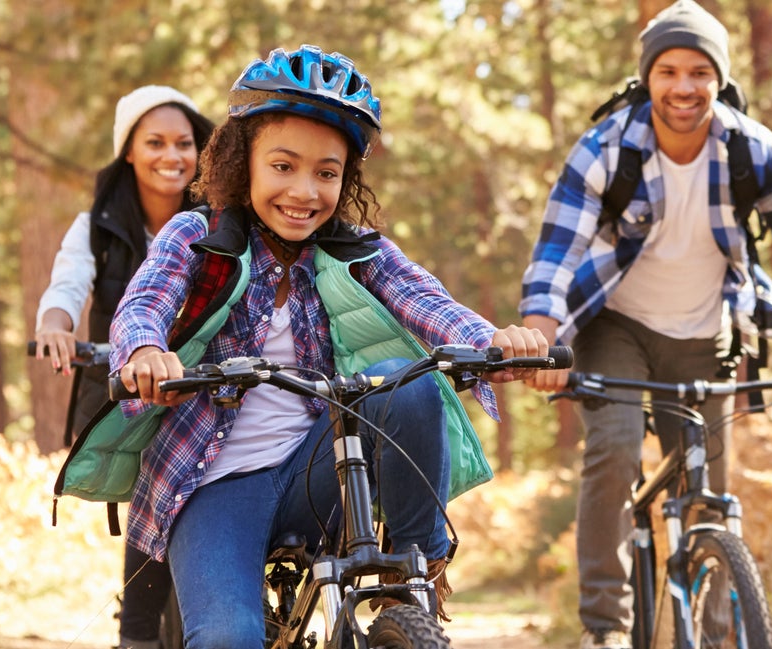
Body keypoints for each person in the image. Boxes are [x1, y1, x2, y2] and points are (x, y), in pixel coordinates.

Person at [108, 45, 549, 648]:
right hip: (215, 484)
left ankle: (412, 579)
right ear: (244, 164)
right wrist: (143, 352)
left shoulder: (355, 251)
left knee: (408, 380)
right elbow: (145, 302)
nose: (305, 191)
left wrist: (494, 344)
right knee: (226, 640)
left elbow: (431, 305)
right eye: (283, 166)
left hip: (323, 475)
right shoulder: (199, 235)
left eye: (326, 172)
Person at [517, 2, 772, 646]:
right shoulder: (605, 148)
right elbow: (554, 260)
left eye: (700, 71)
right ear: (648, 77)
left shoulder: (755, 153)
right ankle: (606, 627)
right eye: (669, 71)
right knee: (616, 447)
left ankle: (710, 632)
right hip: (615, 325)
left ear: (720, 78)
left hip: (709, 331)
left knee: (708, 490)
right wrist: (539, 345)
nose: (684, 87)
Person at [32, 84, 215, 649]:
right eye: (154, 142)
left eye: (184, 143)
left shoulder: (223, 217)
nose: (172, 156)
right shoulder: (97, 226)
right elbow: (68, 282)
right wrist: (56, 326)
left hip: (213, 383)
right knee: (154, 483)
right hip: (134, 387)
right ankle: (137, 637)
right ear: (129, 152)